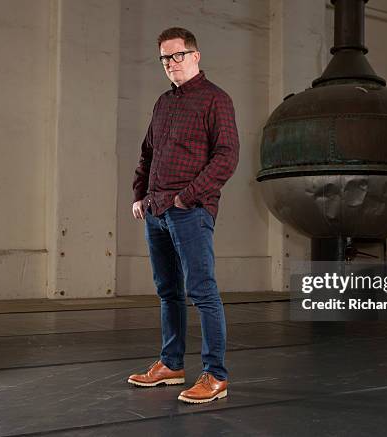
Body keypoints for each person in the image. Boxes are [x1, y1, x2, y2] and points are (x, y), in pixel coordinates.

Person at [127, 27, 239, 404]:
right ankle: (171, 364)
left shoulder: (215, 100)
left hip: (190, 211)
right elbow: (148, 152)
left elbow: (226, 157)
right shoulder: (163, 103)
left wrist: (186, 197)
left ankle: (215, 375)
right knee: (167, 292)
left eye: (177, 56)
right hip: (156, 211)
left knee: (202, 292)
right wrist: (139, 194)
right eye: (164, 58)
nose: (170, 64)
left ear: (195, 56)